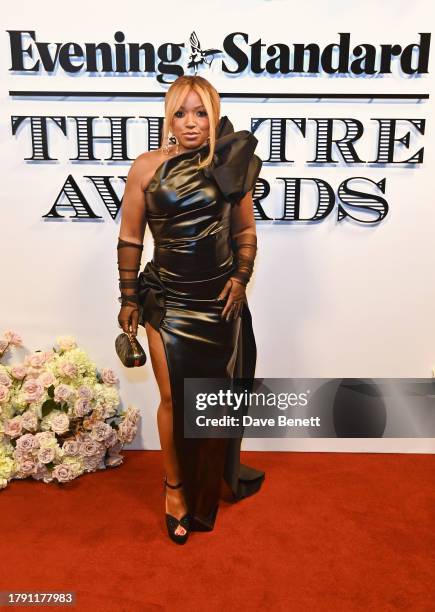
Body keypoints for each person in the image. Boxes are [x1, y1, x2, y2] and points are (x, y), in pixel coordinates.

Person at [116, 75, 265, 544]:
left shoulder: (230, 165)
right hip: (168, 302)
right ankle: (175, 487)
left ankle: (204, 482)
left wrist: (240, 279)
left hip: (218, 303)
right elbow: (130, 239)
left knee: (209, 404)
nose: (192, 123)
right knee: (173, 399)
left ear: (214, 115)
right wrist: (127, 297)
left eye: (201, 112)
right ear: (169, 117)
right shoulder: (145, 167)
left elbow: (244, 232)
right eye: (181, 112)